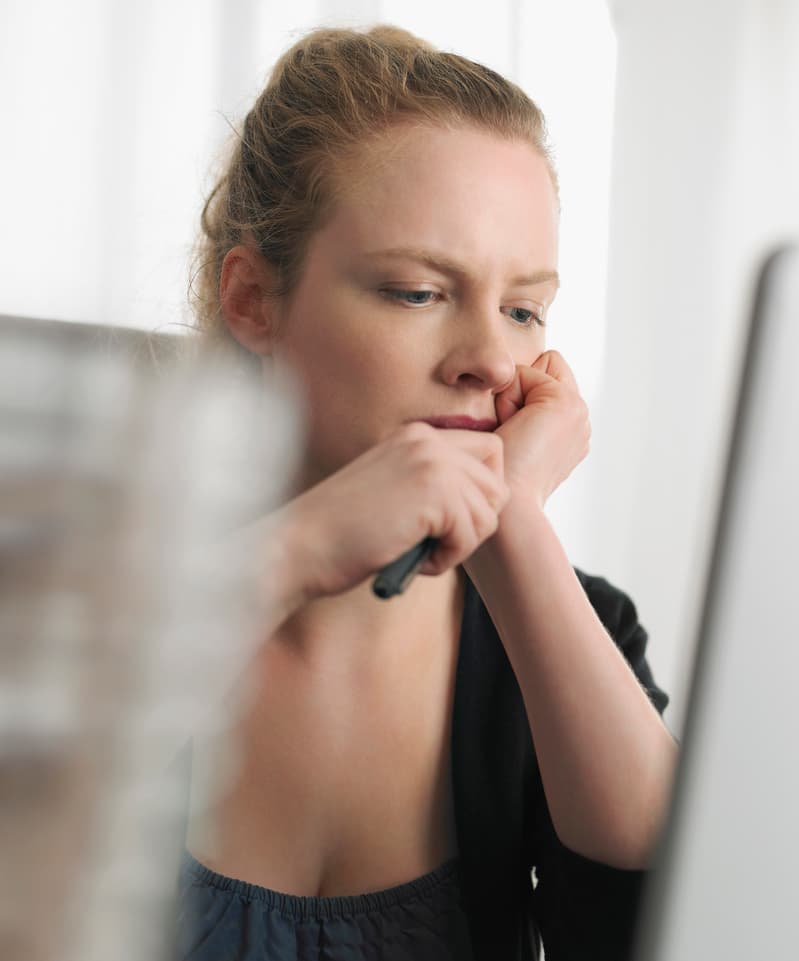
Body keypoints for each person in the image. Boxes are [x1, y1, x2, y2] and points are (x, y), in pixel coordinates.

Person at [174, 24, 677, 961]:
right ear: (250, 299)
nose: (492, 358)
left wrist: (511, 521)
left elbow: (670, 929)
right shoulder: (69, 592)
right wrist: (295, 550)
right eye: (416, 291)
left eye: (525, 309)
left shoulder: (568, 633)